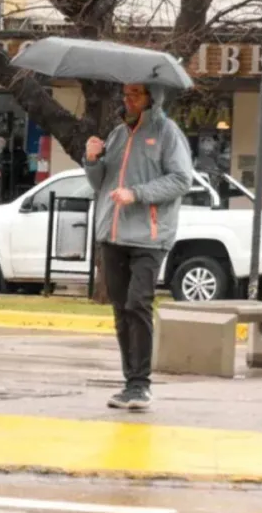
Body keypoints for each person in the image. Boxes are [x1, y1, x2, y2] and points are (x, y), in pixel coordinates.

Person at [83, 83, 194, 411]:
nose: (127, 99)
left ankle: (141, 385)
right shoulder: (117, 135)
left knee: (137, 304)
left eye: (135, 94)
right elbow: (100, 183)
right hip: (113, 234)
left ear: (152, 98)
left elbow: (181, 179)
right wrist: (92, 160)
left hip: (149, 236)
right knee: (121, 310)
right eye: (125, 94)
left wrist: (137, 193)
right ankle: (130, 383)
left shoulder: (166, 133)